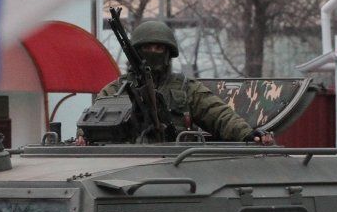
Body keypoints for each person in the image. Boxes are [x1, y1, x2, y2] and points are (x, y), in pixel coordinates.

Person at [96, 19, 270, 144]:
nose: (153, 52)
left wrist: (247, 134)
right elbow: (93, 120)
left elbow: (218, 114)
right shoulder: (116, 90)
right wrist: (83, 135)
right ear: (136, 52)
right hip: (126, 163)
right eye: (146, 48)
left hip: (176, 164)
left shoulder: (187, 89)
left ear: (168, 53)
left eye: (159, 48)